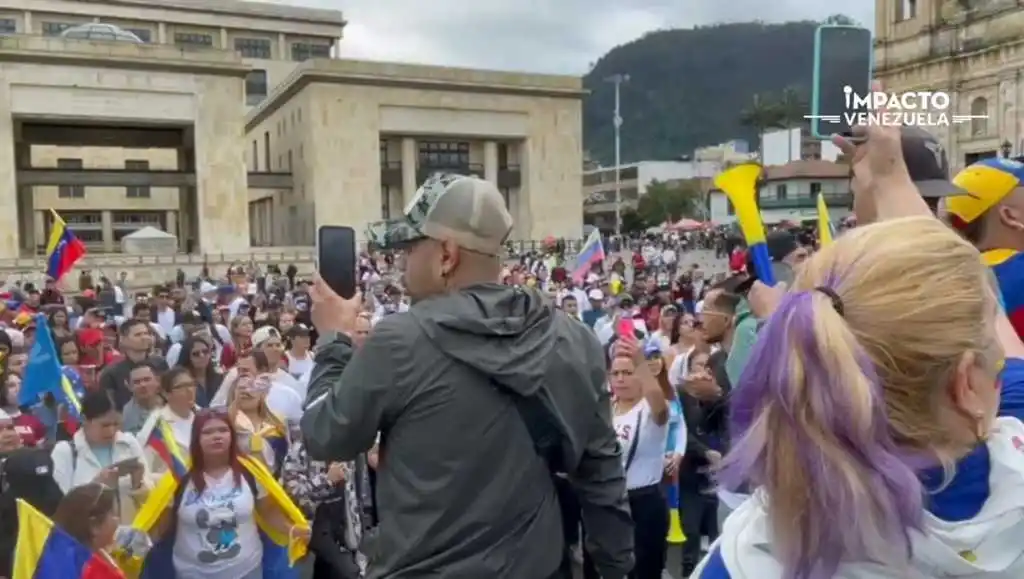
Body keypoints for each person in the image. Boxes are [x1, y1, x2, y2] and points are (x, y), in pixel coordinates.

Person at [302, 173, 633, 578]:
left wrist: (333, 340)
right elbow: (601, 475)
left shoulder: (401, 341)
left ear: (447, 255)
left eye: (411, 245)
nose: (403, 259)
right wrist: (616, 569)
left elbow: (324, 434)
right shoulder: (572, 337)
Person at [50, 391, 151, 522]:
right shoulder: (66, 452)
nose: (111, 431)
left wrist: (138, 484)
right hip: (88, 537)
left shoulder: (128, 443)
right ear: (85, 420)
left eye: (117, 424)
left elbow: (151, 498)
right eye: (105, 425)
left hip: (130, 535)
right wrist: (96, 486)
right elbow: (62, 508)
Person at [52, 483, 125, 577]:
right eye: (114, 514)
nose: (117, 521)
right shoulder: (87, 570)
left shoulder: (50, 554)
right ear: (94, 525)